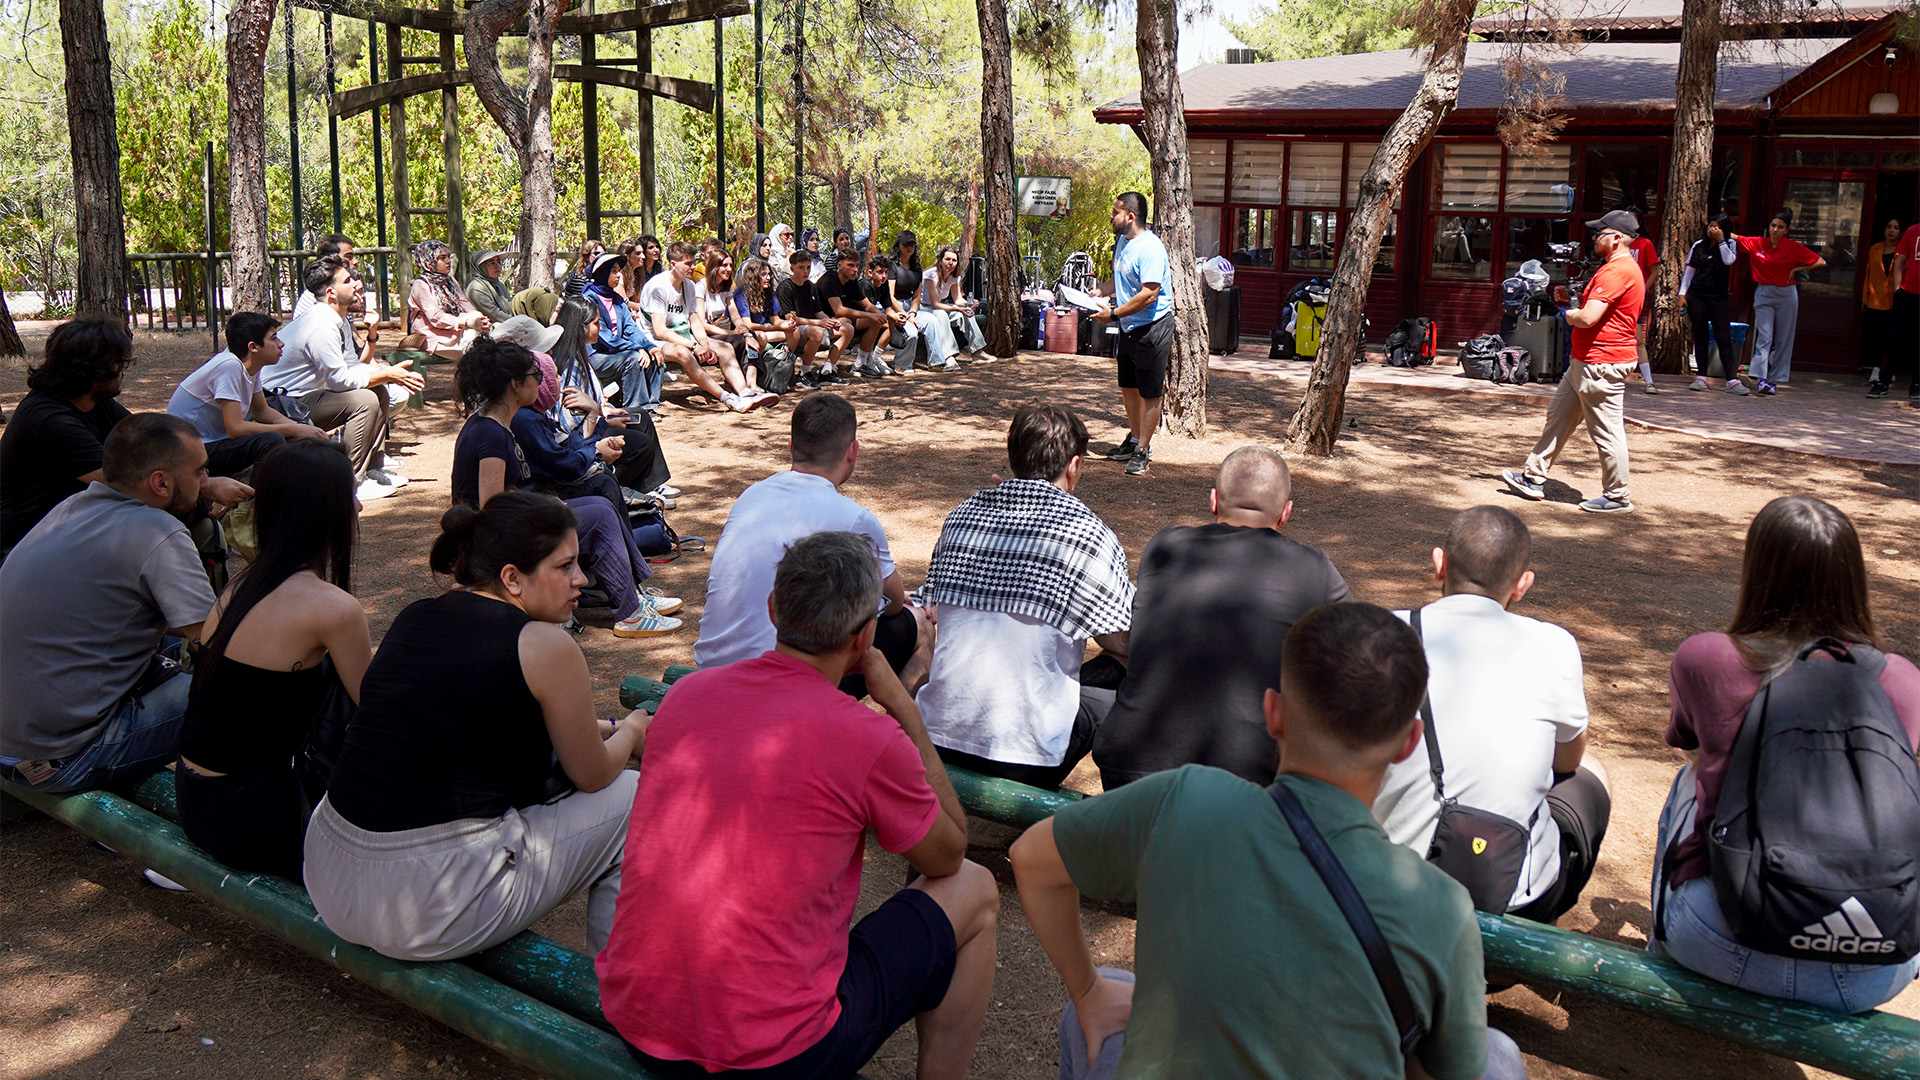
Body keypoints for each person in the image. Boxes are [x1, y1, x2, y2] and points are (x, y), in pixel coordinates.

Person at [1010, 602, 1522, 1080]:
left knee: (1102, 997)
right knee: (1497, 1054)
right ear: (1407, 742)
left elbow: (1031, 856)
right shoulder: (1440, 908)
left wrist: (1086, 989)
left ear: (1273, 713)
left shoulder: (1183, 798)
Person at [596, 531, 997, 1080]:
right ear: (866, 638)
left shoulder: (689, 697)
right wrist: (903, 702)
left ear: (772, 608)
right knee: (974, 885)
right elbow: (948, 854)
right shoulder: (866, 737)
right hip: (778, 1055)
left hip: (642, 1021)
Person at [305, 492, 649, 961]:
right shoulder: (545, 645)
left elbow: (466, 717)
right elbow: (591, 775)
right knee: (635, 796)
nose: (581, 580)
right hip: (425, 907)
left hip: (331, 872)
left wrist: (604, 725)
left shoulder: (416, 616)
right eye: (565, 566)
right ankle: (611, 990)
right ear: (512, 578)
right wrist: (631, 730)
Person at [1654, 495, 1920, 1012]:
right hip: (1873, 966)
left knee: (1689, 781)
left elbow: (1684, 741)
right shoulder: (1905, 682)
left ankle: (1660, 948)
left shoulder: (1708, 657)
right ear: (1853, 577)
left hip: (1719, 942)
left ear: (1758, 572)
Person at [1373, 505, 1611, 922]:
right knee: (1592, 770)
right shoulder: (1554, 645)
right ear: (1522, 585)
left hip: (1388, 890)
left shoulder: (1382, 634)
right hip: (1512, 903)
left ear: (1439, 564)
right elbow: (1567, 761)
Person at [1092, 447, 1350, 789]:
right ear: (1285, 514)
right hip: (1248, 781)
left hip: (1132, 768)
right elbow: (1351, 664)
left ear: (1214, 501)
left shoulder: (1163, 547)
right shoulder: (1316, 571)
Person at [175, 440, 370, 878]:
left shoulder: (242, 586)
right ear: (327, 512)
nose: (357, 507)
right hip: (253, 818)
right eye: (349, 495)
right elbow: (377, 709)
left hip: (197, 800)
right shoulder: (333, 608)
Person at [0, 414, 222, 793]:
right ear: (161, 482)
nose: (205, 484)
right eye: (200, 472)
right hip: (59, 759)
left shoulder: (70, 508)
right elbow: (217, 645)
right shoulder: (158, 530)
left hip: (12, 743)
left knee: (169, 646)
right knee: (247, 688)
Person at [914, 405, 1133, 787]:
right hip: (1029, 758)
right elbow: (1123, 641)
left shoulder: (962, 515)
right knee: (1125, 664)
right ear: (1074, 465)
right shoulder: (1087, 533)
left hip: (938, 739)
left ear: (1014, 459)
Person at [695, 395, 923, 697]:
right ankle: (902, 739)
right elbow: (892, 605)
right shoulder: (856, 520)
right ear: (853, 452)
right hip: (783, 688)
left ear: (791, 447)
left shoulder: (750, 497)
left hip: (713, 669)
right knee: (918, 623)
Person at [452, 337, 680, 637]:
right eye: (536, 376)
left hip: (510, 524)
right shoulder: (491, 434)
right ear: (514, 385)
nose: (543, 381)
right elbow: (491, 510)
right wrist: (542, 509)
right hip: (489, 544)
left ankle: (633, 598)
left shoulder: (497, 422)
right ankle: (631, 614)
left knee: (601, 505)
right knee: (598, 515)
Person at [1502, 208, 1646, 515]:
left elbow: (1587, 318)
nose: (1594, 238)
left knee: (1607, 432)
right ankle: (1532, 477)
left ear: (1617, 238)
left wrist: (1567, 313)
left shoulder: (1616, 271)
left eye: (1600, 233)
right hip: (1586, 362)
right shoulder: (1619, 268)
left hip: (1600, 364)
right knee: (1559, 417)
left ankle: (1618, 495)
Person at [265, 257, 425, 500]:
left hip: (306, 396)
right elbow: (339, 380)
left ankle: (373, 469)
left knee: (378, 390)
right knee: (364, 401)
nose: (357, 284)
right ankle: (348, 481)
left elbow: (352, 366)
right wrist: (387, 373)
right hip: (286, 403)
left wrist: (384, 374)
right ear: (331, 292)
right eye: (348, 280)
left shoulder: (335, 319)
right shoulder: (321, 324)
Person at [166, 312, 330, 477]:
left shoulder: (249, 367)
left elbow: (262, 411)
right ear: (253, 347)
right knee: (271, 441)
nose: (281, 344)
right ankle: (255, 500)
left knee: (289, 438)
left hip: (209, 444)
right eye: (273, 338)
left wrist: (302, 428)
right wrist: (293, 430)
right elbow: (236, 429)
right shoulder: (229, 366)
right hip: (188, 451)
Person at [548, 295, 676, 501]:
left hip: (593, 420)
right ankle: (618, 489)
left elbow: (588, 401)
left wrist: (604, 411)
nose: (600, 328)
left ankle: (651, 484)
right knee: (639, 444)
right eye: (596, 323)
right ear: (580, 327)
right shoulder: (569, 364)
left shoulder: (580, 352)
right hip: (582, 436)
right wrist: (604, 420)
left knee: (641, 417)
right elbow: (572, 422)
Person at [640, 241, 776, 412]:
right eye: (688, 263)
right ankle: (727, 398)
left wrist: (704, 345)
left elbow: (694, 320)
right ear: (673, 264)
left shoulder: (688, 285)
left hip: (683, 335)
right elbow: (660, 331)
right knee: (684, 353)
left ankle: (745, 392)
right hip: (654, 341)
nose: (693, 267)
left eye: (693, 261)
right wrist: (694, 346)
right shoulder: (658, 286)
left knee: (725, 347)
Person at [1092, 192, 1172, 478]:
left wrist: (1113, 314)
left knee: (1149, 391)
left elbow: (1150, 295)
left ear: (1130, 216)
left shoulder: (1150, 248)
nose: (1111, 217)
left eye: (1115, 212)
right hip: (1128, 326)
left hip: (1151, 327)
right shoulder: (1123, 243)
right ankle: (1135, 439)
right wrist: (1099, 292)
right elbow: (1120, 277)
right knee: (1128, 386)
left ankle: (1143, 451)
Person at [1732, 208, 1825, 394]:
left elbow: (1820, 261)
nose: (1775, 230)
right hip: (1764, 292)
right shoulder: (1758, 243)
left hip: (1786, 294)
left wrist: (1796, 270)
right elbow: (1734, 236)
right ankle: (1760, 378)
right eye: (1773, 225)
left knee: (1784, 337)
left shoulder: (1793, 247)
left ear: (1786, 230)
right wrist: (1710, 224)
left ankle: (1775, 379)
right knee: (1765, 336)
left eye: (1780, 227)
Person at [584, 254, 666, 413]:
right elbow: (604, 336)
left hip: (618, 352)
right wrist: (636, 348)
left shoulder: (617, 300)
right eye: (613, 271)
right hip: (595, 355)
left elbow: (631, 329)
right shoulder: (589, 300)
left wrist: (649, 346)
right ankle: (636, 410)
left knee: (655, 356)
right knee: (634, 358)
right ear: (603, 273)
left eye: (618, 270)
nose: (619, 274)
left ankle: (651, 406)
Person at [1681, 214, 1742, 393]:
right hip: (1698, 296)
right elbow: (1689, 271)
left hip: (1719, 298)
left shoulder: (1730, 245)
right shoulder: (1698, 246)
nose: (1712, 230)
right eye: (1711, 226)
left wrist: (1721, 240)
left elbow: (1729, 260)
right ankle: (1701, 376)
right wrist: (1682, 294)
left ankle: (1731, 379)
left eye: (1717, 227)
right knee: (1700, 336)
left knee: (1723, 337)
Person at [408, 240, 491, 358]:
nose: (448, 261)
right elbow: (436, 317)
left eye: (448, 256)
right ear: (429, 260)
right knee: (478, 345)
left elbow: (465, 304)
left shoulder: (450, 280)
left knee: (487, 339)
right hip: (432, 337)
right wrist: (467, 322)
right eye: (442, 258)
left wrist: (479, 318)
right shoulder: (420, 285)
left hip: (456, 332)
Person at [778, 250, 852, 385]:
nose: (805, 271)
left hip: (813, 325)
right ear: (792, 268)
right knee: (817, 332)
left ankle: (827, 371)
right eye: (801, 268)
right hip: (796, 330)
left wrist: (830, 322)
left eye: (808, 267)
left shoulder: (811, 287)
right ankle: (805, 372)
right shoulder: (785, 287)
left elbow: (819, 312)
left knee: (847, 328)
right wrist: (819, 323)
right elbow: (791, 319)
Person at [919, 245, 997, 369]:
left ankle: (977, 352)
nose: (951, 263)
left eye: (954, 260)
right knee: (942, 314)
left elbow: (957, 299)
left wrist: (967, 304)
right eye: (947, 259)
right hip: (924, 307)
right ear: (940, 261)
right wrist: (957, 308)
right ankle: (949, 356)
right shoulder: (931, 274)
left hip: (940, 306)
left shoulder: (954, 277)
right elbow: (935, 304)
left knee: (967, 312)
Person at [821, 250, 892, 378]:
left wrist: (879, 315)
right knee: (847, 320)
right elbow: (839, 310)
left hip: (844, 320)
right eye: (850, 265)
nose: (855, 269)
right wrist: (869, 315)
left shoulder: (852, 281)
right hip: (823, 320)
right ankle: (829, 368)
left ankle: (861, 363)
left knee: (876, 320)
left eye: (857, 265)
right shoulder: (829, 279)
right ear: (840, 265)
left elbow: (868, 305)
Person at [1863, 218, 1903, 398]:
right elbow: (1868, 272)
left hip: (1894, 299)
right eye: (1889, 227)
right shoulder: (1875, 249)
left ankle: (1889, 370)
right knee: (1876, 336)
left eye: (1896, 228)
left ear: (1901, 232)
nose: (1892, 231)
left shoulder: (1903, 252)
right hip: (1876, 298)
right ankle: (1876, 369)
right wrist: (1866, 295)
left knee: (1891, 337)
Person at [1887, 218, 1920, 403]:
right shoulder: (1913, 231)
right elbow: (1900, 261)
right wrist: (1898, 288)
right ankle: (1884, 381)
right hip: (1908, 293)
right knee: (1895, 338)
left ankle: (1916, 383)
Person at [466, 248, 517, 326]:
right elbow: (494, 314)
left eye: (498, 262)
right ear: (481, 267)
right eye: (492, 263)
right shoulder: (476, 288)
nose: (498, 266)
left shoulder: (499, 284)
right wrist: (518, 322)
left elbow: (510, 305)